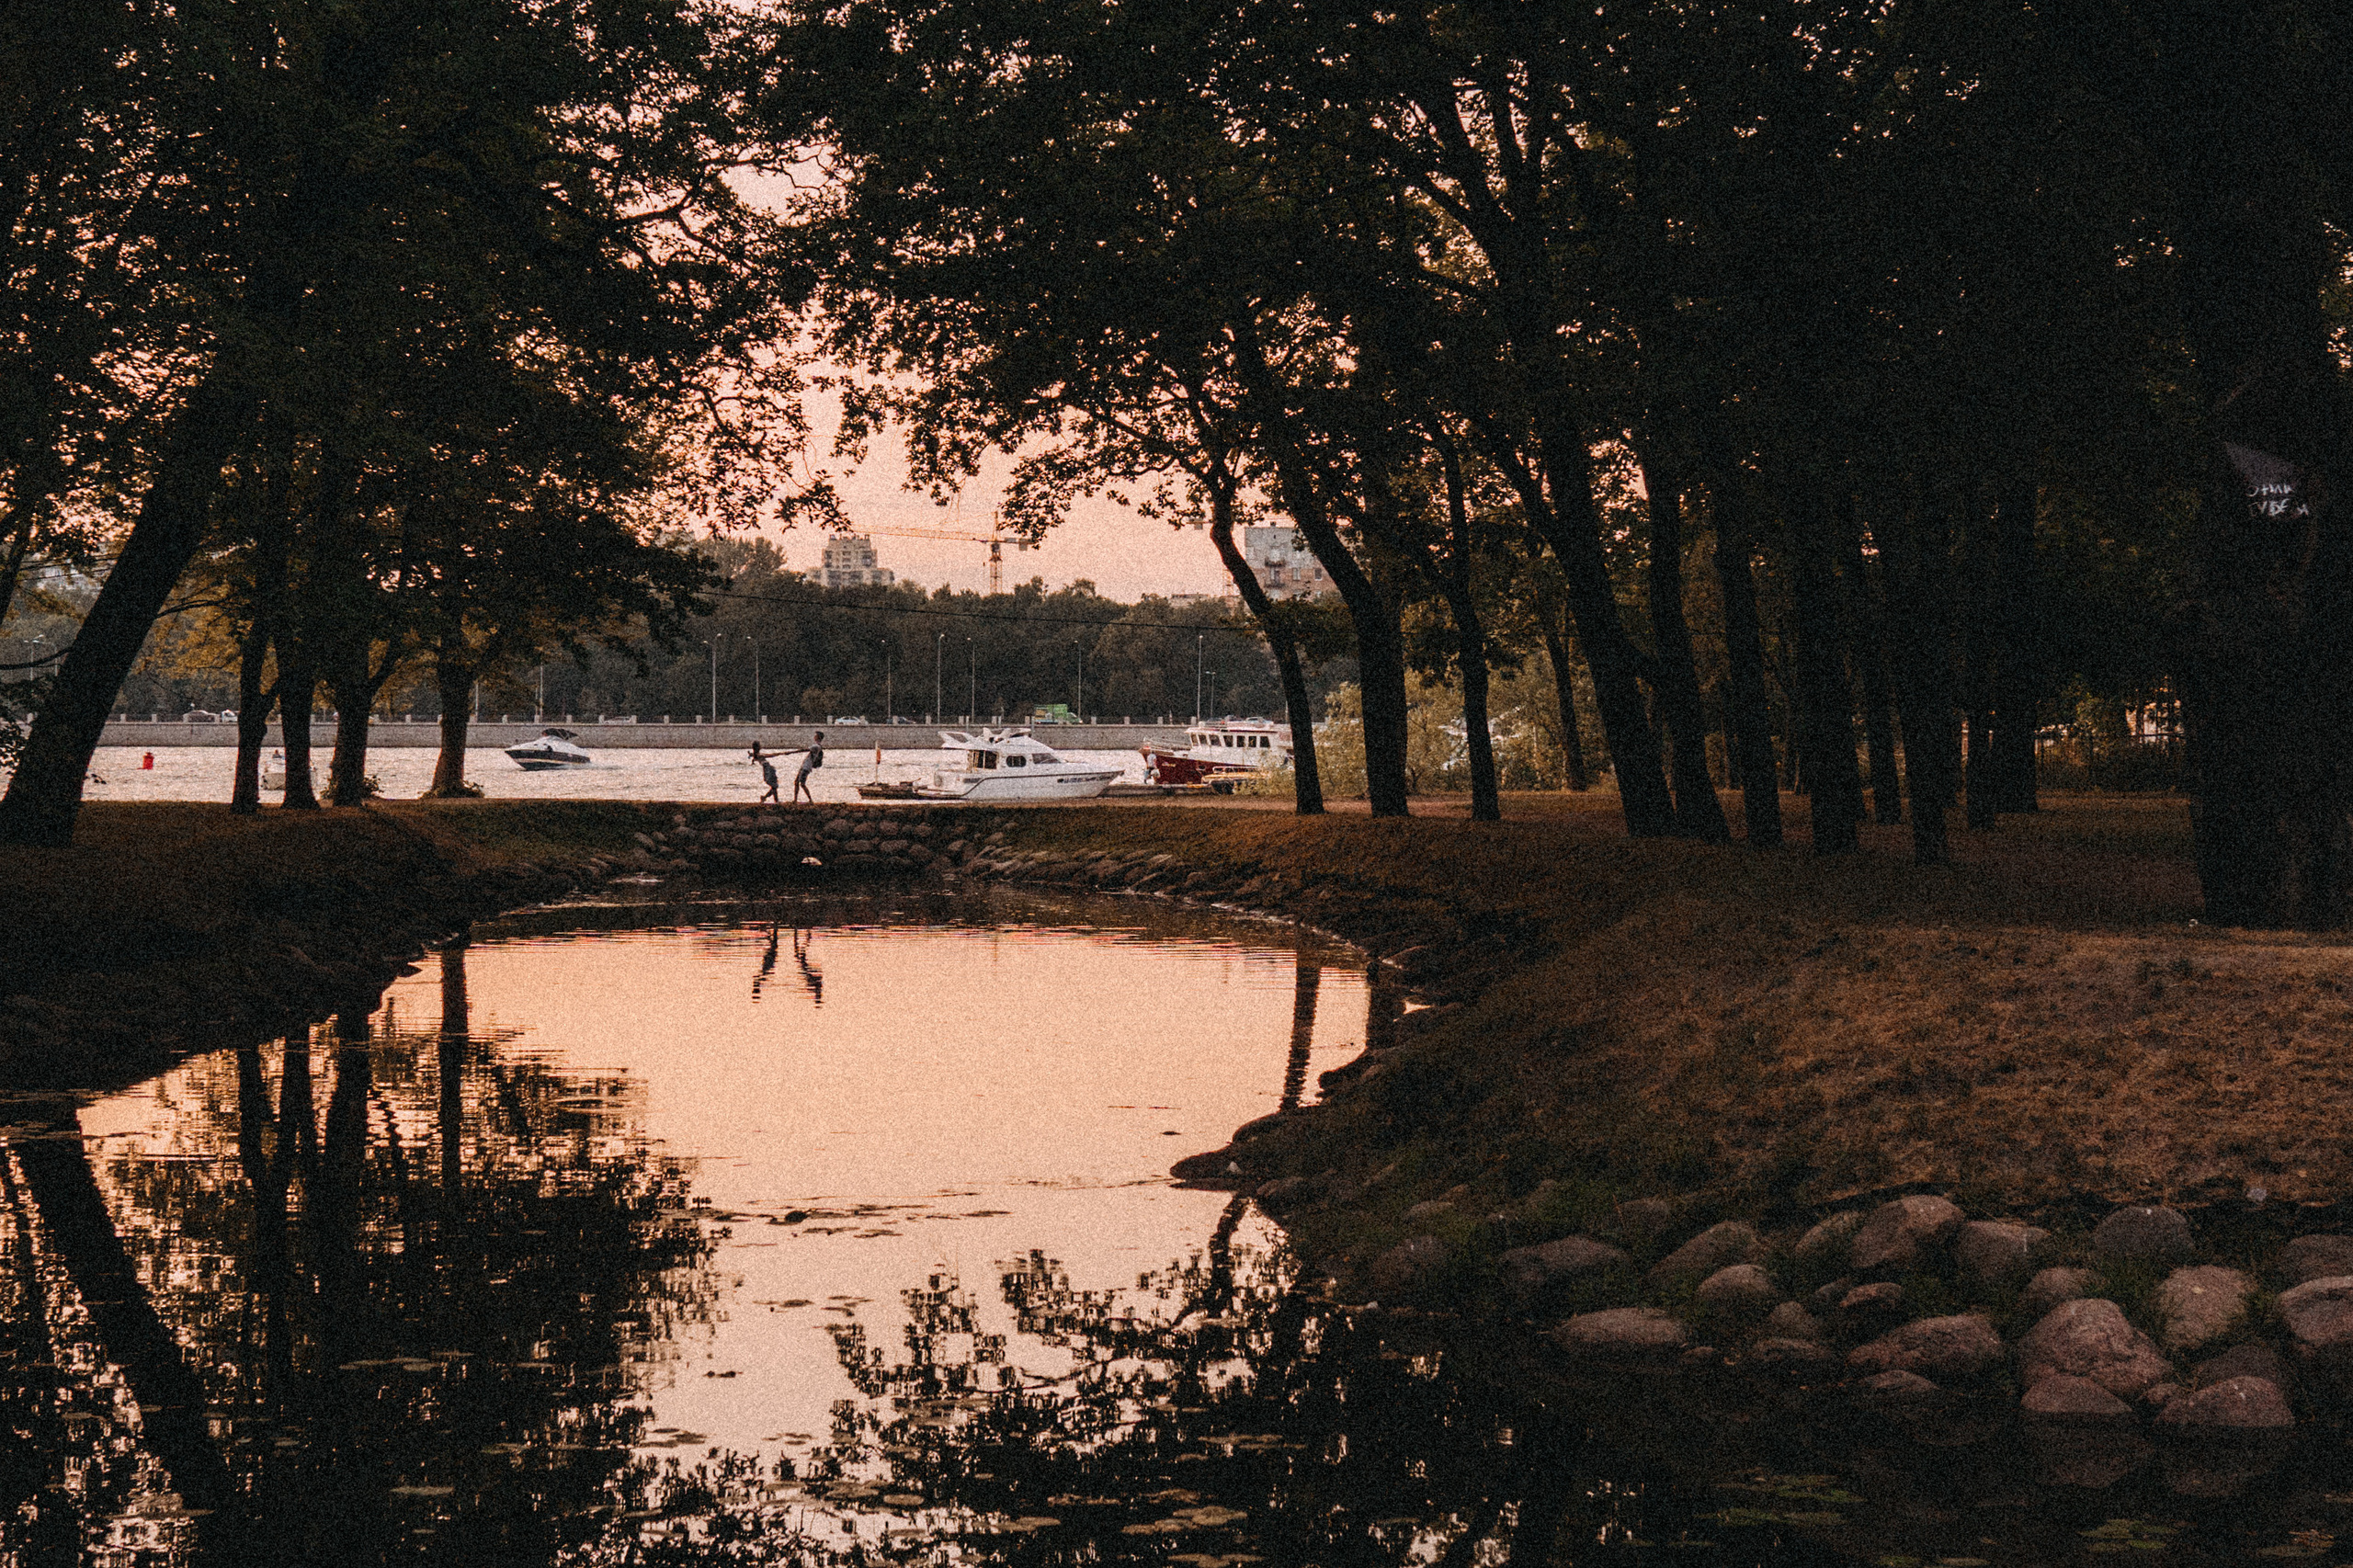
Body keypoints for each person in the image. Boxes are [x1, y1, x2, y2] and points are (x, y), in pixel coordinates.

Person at [793, 731, 824, 803]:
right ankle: (795, 800)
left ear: (818, 737)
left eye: (815, 735)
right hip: (804, 766)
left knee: (802, 783)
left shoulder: (816, 747)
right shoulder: (817, 746)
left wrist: (791, 752)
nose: (814, 736)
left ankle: (810, 800)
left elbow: (804, 750)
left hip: (806, 767)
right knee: (796, 782)